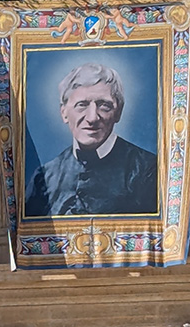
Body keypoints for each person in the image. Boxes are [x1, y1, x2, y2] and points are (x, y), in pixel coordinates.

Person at [25, 63, 158, 217]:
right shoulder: (44, 177)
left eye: (104, 106)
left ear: (118, 112)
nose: (92, 118)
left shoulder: (147, 170)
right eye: (82, 105)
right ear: (64, 113)